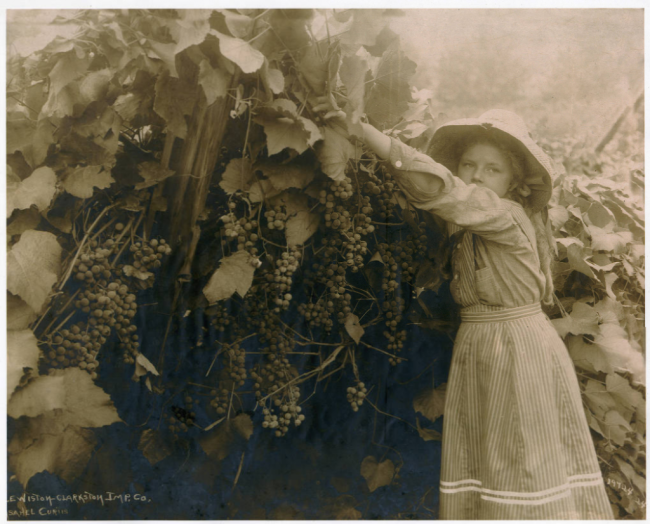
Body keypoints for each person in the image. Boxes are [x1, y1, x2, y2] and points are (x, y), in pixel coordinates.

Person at [314, 99, 614, 520]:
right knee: (490, 456)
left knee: (522, 457)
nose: (476, 175)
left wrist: (363, 131)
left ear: (514, 183)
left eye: (493, 169)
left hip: (516, 347)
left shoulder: (503, 214)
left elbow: (444, 190)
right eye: (470, 164)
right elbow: (436, 193)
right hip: (480, 345)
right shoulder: (466, 220)